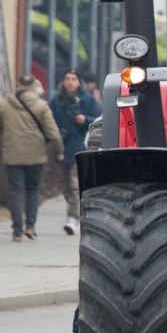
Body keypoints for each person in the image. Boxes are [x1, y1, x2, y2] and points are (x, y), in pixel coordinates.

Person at [0, 74, 63, 242]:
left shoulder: (5, 105)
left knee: (16, 191)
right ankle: (30, 225)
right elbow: (53, 132)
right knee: (33, 190)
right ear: (33, 86)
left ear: (18, 85)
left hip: (12, 155)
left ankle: (17, 230)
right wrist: (59, 150)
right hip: (36, 155)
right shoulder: (41, 105)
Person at [51, 68, 101, 235]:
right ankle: (77, 210)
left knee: (74, 183)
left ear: (79, 82)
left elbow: (99, 120)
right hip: (62, 147)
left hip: (81, 146)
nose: (70, 82)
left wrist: (85, 119)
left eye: (73, 78)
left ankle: (73, 218)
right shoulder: (56, 101)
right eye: (67, 78)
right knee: (64, 185)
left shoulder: (88, 100)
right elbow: (49, 121)